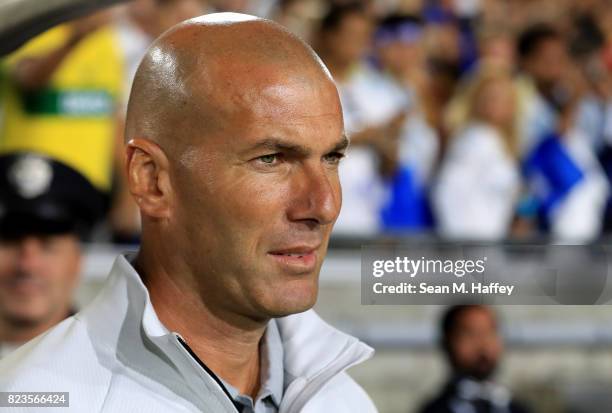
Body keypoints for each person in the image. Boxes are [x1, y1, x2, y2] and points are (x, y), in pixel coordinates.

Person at [0, 12, 377, 413]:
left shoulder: (342, 399)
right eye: (271, 159)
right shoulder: (36, 400)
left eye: (333, 157)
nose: (324, 205)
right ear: (152, 180)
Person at [0, 152, 105, 358]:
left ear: (77, 261)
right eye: (9, 241)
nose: (28, 265)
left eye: (48, 246)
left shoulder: (118, 370)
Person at [433, 68, 521, 240]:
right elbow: (447, 192)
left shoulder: (498, 142)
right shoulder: (474, 139)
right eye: (490, 97)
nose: (495, 104)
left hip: (491, 244)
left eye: (502, 98)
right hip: (472, 246)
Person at [418, 305, 532, 413]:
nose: (483, 345)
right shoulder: (438, 409)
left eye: (490, 332)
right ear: (447, 343)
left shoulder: (513, 407)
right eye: (470, 334)